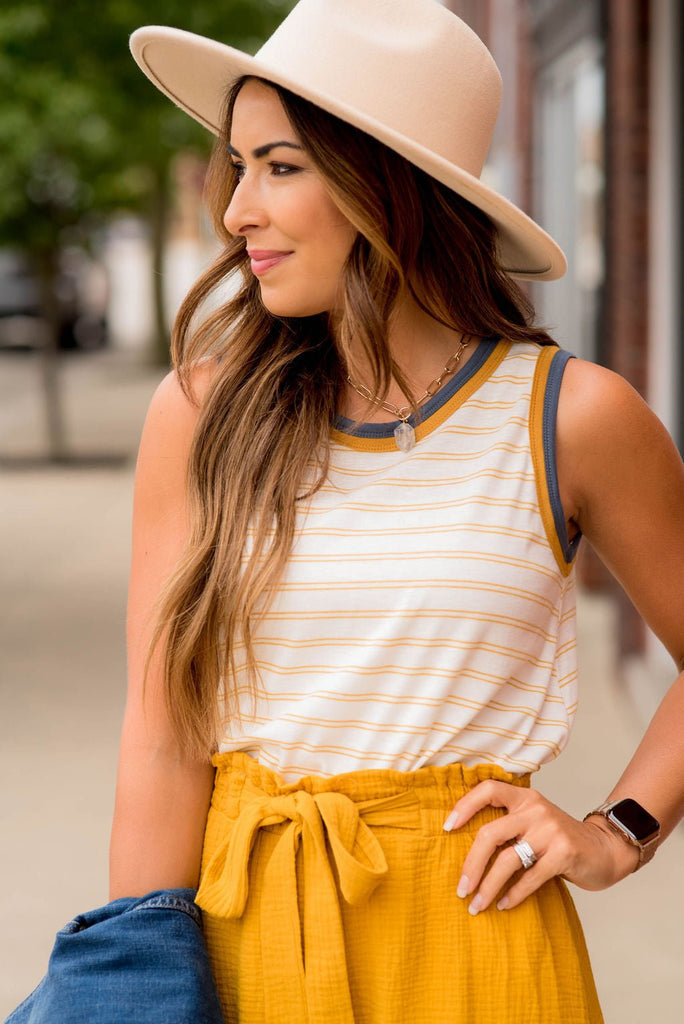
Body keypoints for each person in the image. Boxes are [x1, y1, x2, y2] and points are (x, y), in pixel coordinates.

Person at [117, 2, 684, 1022]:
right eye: (237, 167)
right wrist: (130, 984)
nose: (239, 209)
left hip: (478, 942)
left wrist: (619, 829)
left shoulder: (572, 417)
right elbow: (162, 738)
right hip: (249, 933)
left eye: (281, 167)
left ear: (392, 189)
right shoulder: (200, 414)